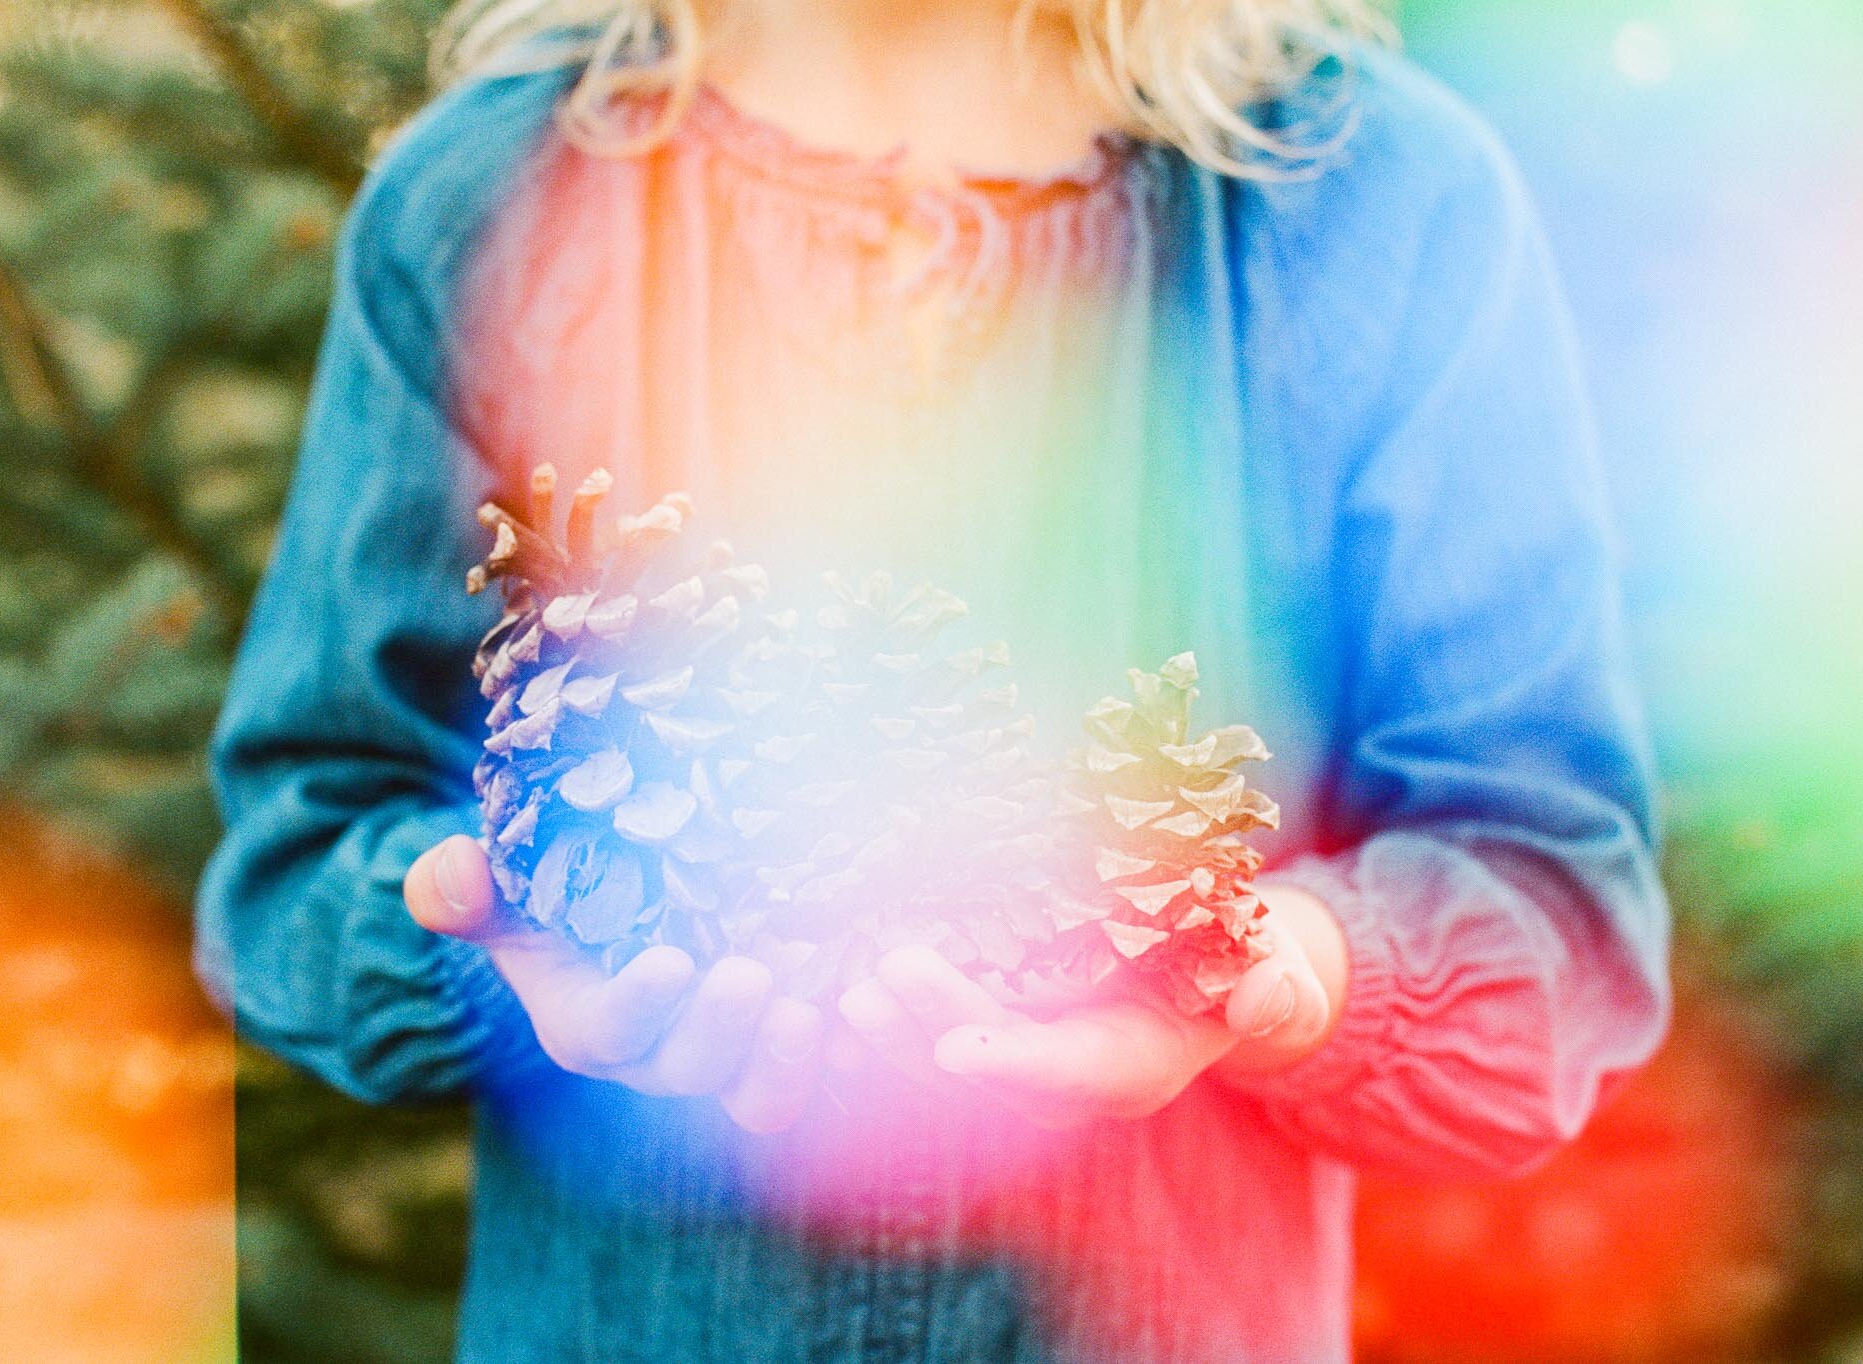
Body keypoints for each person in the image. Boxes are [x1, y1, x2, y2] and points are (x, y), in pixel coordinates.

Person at [196, 1, 1672, 1358]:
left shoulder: (1377, 201)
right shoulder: (484, 200)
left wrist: (1282, 979)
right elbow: (307, 843)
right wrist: (518, 938)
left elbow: (1559, 919)